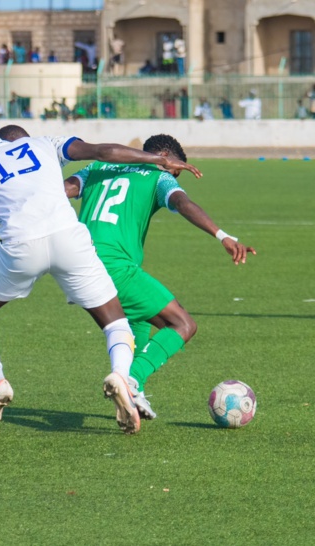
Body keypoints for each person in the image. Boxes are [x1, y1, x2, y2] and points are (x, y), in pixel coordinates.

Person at [0, 125, 202, 434]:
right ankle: (121, 377)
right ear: (25, 138)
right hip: (69, 239)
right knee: (116, 323)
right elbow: (104, 151)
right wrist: (156, 160)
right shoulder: (45, 144)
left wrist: (17, 215)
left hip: (21, 244)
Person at [64, 134, 255, 421]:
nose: (175, 177)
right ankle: (129, 379)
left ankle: (133, 388)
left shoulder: (96, 167)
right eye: (176, 170)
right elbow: (183, 203)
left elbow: (60, 190)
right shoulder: (158, 174)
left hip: (75, 266)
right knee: (183, 324)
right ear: (165, 157)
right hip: (113, 267)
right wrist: (222, 235)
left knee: (138, 318)